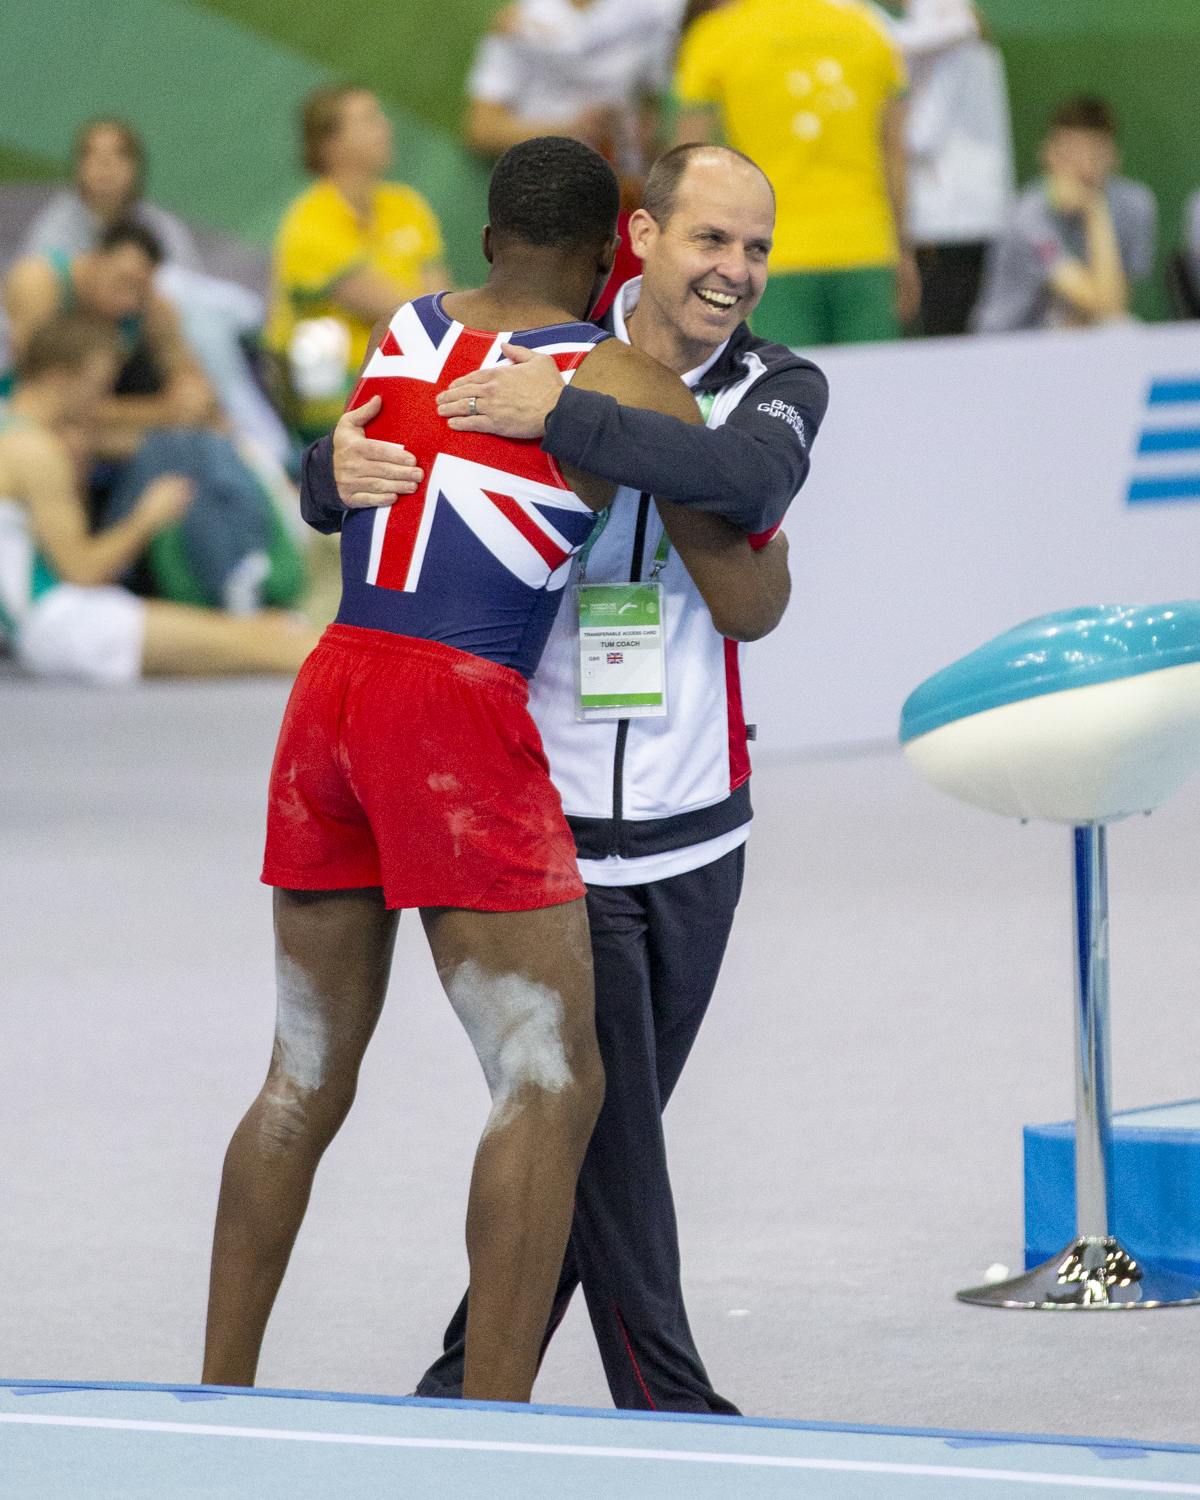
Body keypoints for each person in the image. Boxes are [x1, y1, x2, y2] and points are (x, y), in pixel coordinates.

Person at [201, 135, 798, 1405]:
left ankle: (215, 1396)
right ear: (607, 257)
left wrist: (324, 473)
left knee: (300, 1076)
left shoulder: (407, 331)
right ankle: (488, 1422)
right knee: (550, 1080)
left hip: (330, 700)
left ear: (485, 240)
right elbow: (749, 597)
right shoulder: (625, 373)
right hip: (454, 724)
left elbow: (349, 472)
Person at [4, 222, 306, 615]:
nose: (128, 300)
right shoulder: (40, 282)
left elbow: (196, 391)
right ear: (92, 260)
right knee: (109, 442)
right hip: (51, 432)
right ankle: (230, 574)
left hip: (84, 429)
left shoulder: (151, 307)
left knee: (204, 439)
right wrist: (165, 416)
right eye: (122, 281)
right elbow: (48, 394)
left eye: (140, 288)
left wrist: (191, 402)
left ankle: (239, 565)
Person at [0, 314, 318, 683]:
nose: (102, 402)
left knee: (264, 632)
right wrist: (149, 516)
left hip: (55, 620)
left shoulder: (14, 435)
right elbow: (83, 571)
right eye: (98, 387)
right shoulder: (36, 451)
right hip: (61, 623)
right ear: (59, 377)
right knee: (267, 645)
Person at [673, 0, 919, 345]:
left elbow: (691, 161)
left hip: (768, 256)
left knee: (782, 394)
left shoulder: (717, 35)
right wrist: (904, 249)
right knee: (876, 393)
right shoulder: (867, 29)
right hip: (866, 246)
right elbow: (894, 150)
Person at [266, 86, 451, 444]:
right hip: (330, 398)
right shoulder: (309, 221)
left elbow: (441, 310)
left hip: (406, 379)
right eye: (369, 120)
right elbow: (406, 313)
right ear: (330, 144)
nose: (387, 127)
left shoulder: (409, 206)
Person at [972, 96, 1156, 334]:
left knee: (1122, 330)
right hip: (1009, 343)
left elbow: (1113, 306)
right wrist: (1095, 210)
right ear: (1049, 155)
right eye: (1072, 153)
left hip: (1076, 335)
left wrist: (1094, 211)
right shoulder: (1028, 216)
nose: (1084, 167)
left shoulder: (1135, 205)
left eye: (1095, 153)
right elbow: (1103, 306)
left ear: (1113, 156)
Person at [887, 0, 1014, 336]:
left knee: (945, 341)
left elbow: (919, 135)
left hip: (948, 224)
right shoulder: (951, 30)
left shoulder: (944, 29)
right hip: (965, 217)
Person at [19, 118, 203, 272]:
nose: (106, 165)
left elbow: (193, 293)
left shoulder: (162, 229)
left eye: (119, 155)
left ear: (137, 168)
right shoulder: (55, 229)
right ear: (78, 167)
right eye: (93, 155)